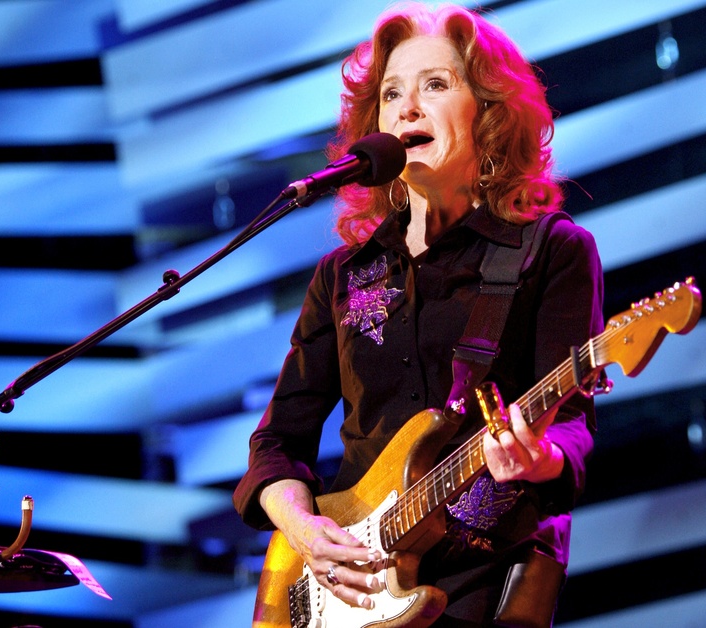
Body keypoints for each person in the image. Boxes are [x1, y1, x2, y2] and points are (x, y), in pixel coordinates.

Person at [233, 2, 604, 626]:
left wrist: (537, 458)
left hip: (482, 577)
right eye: (391, 94)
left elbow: (570, 424)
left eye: (436, 85)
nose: (407, 107)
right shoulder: (343, 275)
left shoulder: (552, 252)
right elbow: (277, 442)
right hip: (347, 585)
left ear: (489, 113)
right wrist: (303, 530)